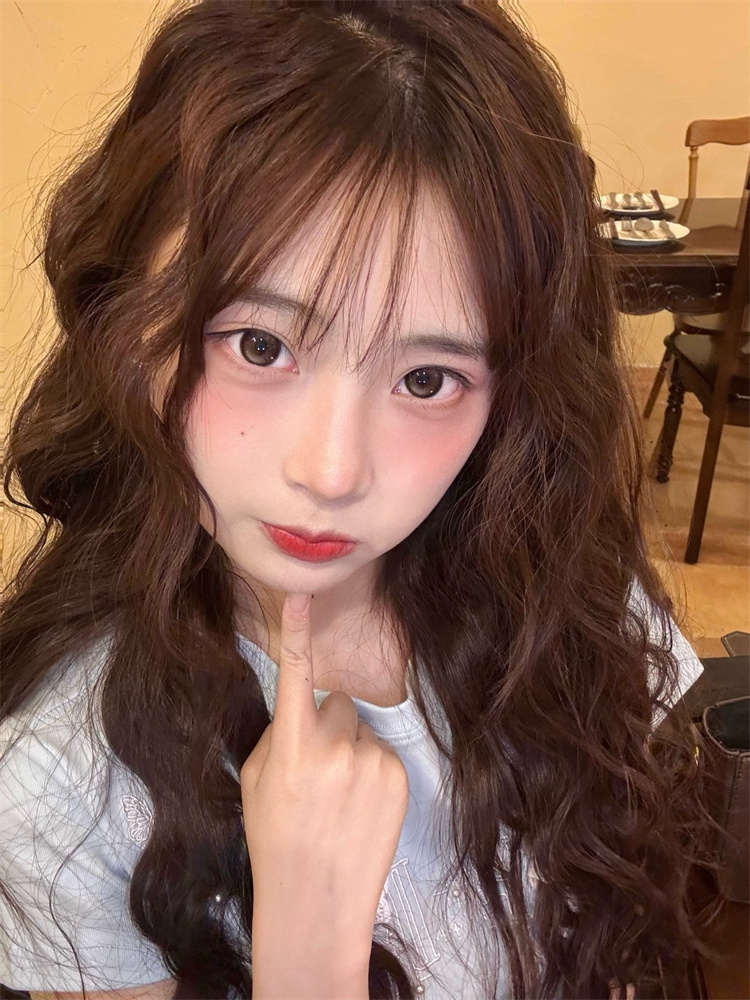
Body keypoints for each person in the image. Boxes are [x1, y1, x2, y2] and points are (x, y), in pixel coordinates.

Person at [0, 2, 721, 999]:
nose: (333, 472)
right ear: (127, 330)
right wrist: (308, 950)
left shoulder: (566, 596)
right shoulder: (63, 787)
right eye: (259, 345)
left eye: (427, 379)